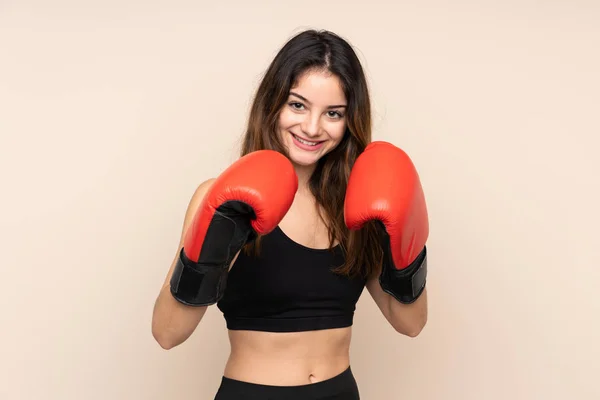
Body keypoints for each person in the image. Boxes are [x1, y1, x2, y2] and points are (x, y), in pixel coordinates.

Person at [151, 29, 430, 400]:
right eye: (297, 105)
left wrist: (405, 245)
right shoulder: (222, 198)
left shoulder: (358, 204)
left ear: (349, 121)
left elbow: (410, 323)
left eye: (333, 113)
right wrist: (219, 237)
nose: (312, 128)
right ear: (272, 103)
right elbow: (167, 334)